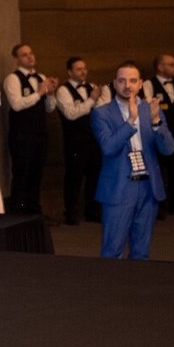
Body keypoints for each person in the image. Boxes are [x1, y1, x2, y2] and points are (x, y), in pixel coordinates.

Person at [93, 61, 174, 259]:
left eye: (132, 81)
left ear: (140, 84)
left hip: (148, 188)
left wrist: (156, 123)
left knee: (141, 252)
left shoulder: (152, 110)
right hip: (119, 188)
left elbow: (169, 149)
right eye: (122, 81)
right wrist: (130, 121)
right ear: (114, 83)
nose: (127, 85)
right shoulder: (101, 113)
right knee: (112, 251)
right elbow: (108, 147)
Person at [2, 43, 58, 216]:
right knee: (22, 174)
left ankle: (35, 213)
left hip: (40, 134)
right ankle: (19, 214)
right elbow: (17, 105)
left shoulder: (41, 77)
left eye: (31, 53)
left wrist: (50, 94)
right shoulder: (12, 79)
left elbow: (49, 108)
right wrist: (39, 93)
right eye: (24, 55)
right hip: (22, 135)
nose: (30, 57)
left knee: (37, 174)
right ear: (16, 59)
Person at [56, 56, 108, 224]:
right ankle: (71, 212)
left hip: (94, 139)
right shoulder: (63, 90)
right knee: (74, 177)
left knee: (95, 176)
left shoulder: (92, 87)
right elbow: (71, 114)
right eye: (79, 69)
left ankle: (92, 211)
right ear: (70, 72)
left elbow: (103, 111)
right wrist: (91, 100)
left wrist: (98, 99)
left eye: (84, 68)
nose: (83, 72)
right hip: (75, 141)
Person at [144, 54, 174, 216]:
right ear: (160, 67)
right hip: (157, 133)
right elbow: (148, 109)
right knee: (157, 170)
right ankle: (158, 207)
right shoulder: (148, 85)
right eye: (172, 64)